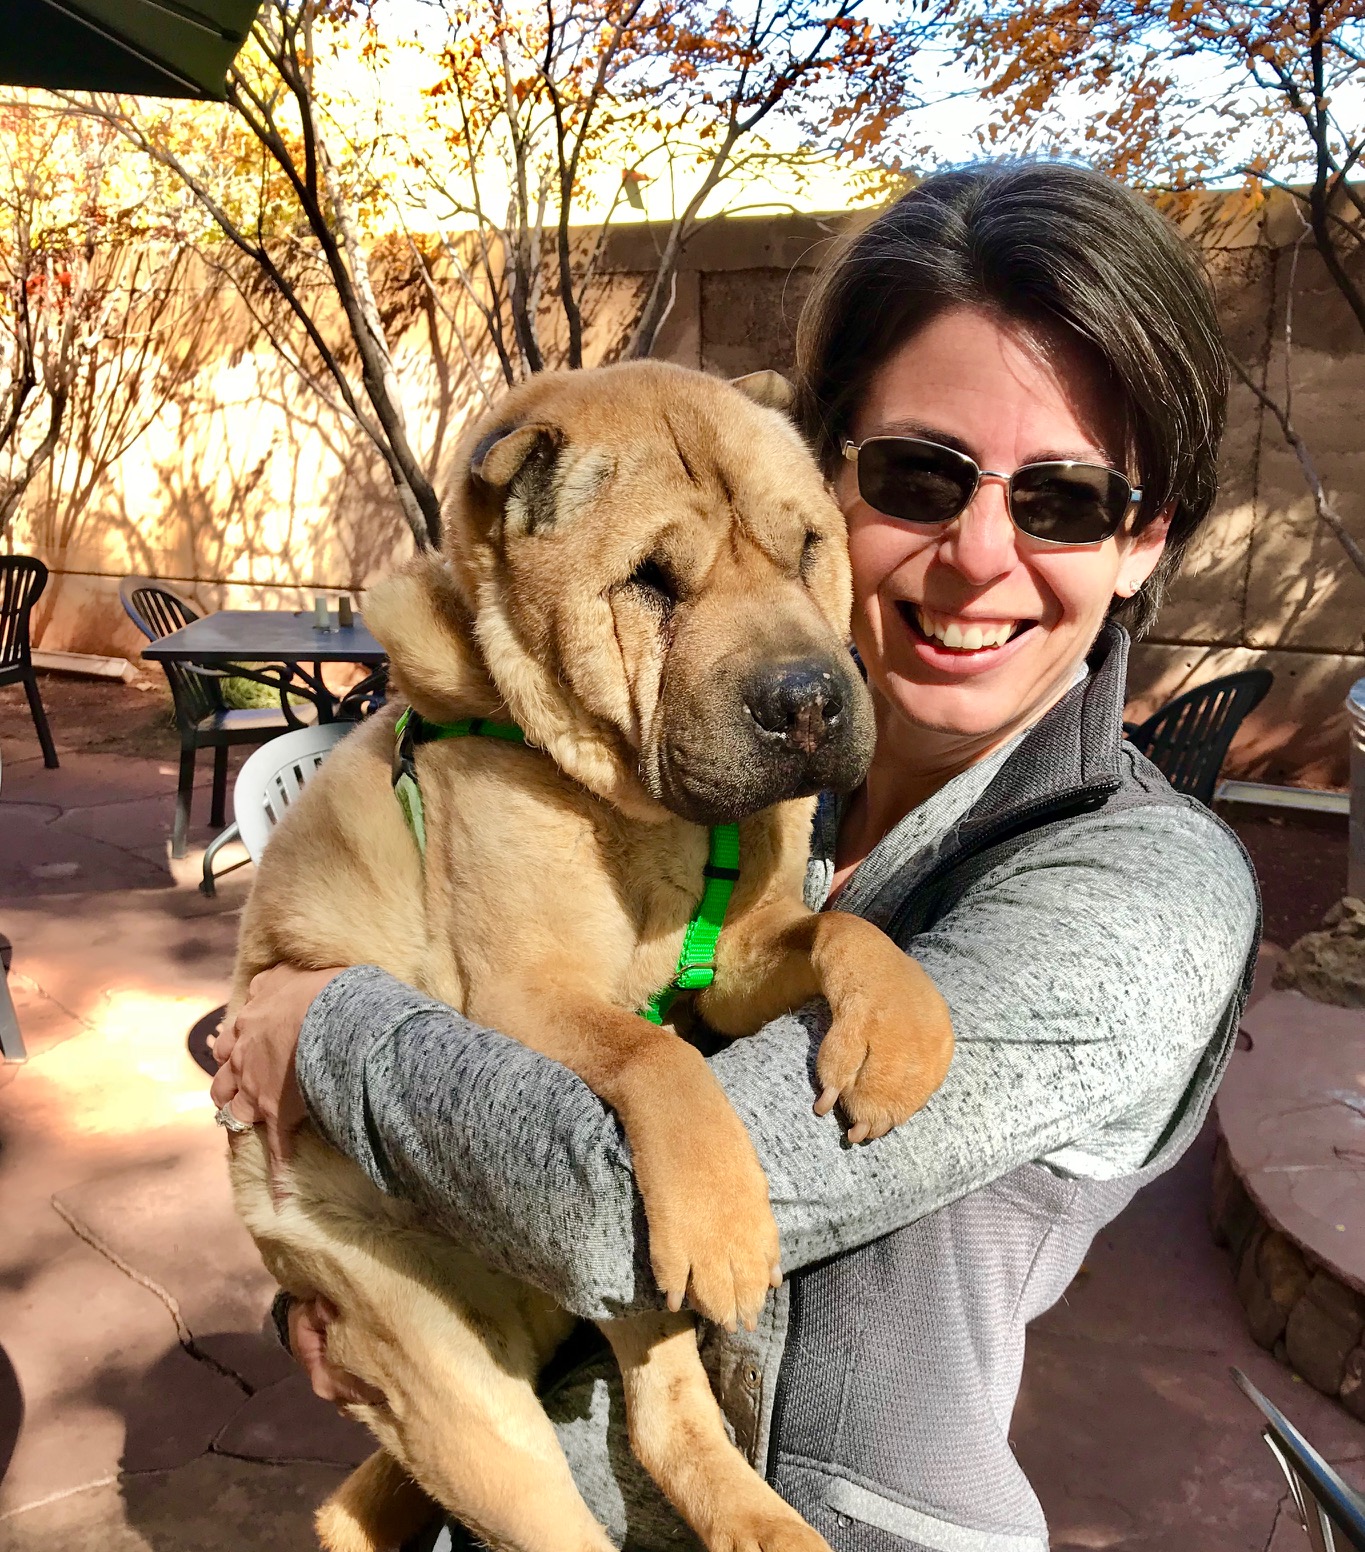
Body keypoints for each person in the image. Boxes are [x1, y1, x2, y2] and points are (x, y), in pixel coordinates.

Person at [211, 158, 1260, 1552]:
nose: (977, 555)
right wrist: (337, 1265)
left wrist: (319, 1029)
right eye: (915, 476)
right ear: (828, 476)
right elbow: (399, 984)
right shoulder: (715, 764)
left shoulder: (1142, 898)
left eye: (1065, 501)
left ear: (1144, 542)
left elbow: (597, 1203)